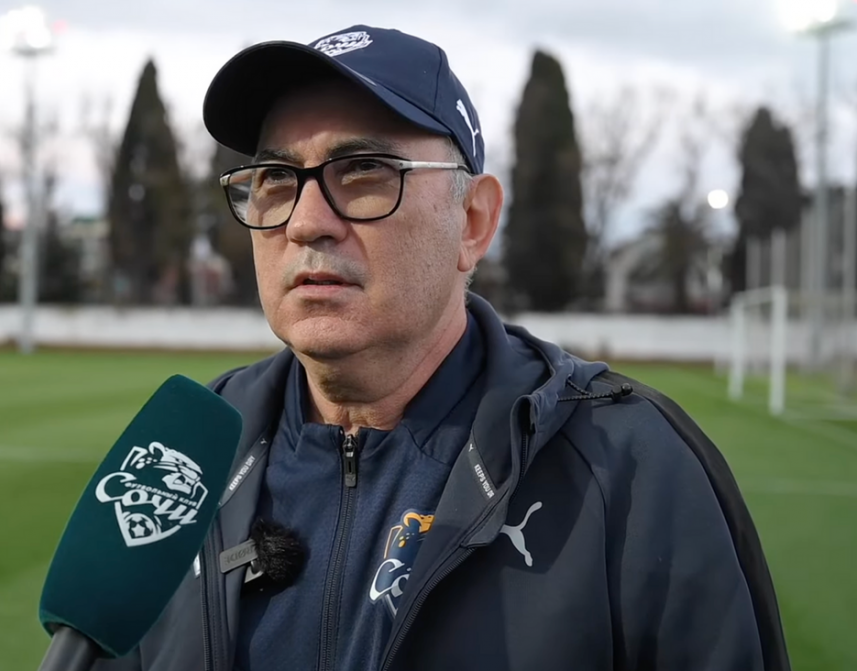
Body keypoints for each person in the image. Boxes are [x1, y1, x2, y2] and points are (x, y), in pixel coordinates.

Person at [103, 24, 790, 671]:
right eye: (277, 179)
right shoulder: (181, 457)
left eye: (364, 170)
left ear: (473, 221)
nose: (307, 222)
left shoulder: (632, 468)